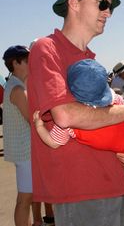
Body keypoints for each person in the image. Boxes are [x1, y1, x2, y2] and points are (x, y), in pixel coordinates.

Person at [27, 0, 124, 226]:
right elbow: (65, 115)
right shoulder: (46, 49)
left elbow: (101, 127)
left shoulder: (89, 61)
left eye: (110, 7)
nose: (108, 12)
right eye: (102, 3)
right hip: (82, 192)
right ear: (74, 3)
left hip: (114, 184)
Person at [32, 59, 124, 193]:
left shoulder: (69, 123)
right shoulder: (116, 100)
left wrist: (39, 125)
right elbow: (123, 103)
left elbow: (54, 142)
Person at [2, 45, 54, 226]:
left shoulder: (17, 85)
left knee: (27, 196)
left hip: (24, 151)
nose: (31, 63)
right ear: (15, 63)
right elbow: (32, 119)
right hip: (25, 152)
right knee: (25, 198)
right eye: (27, 60)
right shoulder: (17, 89)